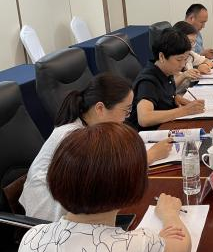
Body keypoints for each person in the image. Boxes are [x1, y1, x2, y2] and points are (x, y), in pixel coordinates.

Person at [14, 123, 191, 252]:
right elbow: (182, 249)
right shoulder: (136, 247)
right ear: (131, 185)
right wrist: (169, 214)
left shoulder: (31, 238)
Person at [19, 74, 173, 221]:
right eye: (125, 111)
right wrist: (150, 156)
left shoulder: (89, 126)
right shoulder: (73, 137)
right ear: (100, 108)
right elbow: (105, 176)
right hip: (50, 213)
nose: (126, 118)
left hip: (76, 204)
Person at [128, 28, 205, 131]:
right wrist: (185, 111)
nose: (183, 65)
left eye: (185, 59)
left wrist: (174, 98)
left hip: (165, 126)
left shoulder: (166, 71)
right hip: (149, 135)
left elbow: (162, 93)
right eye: (179, 59)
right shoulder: (148, 81)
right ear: (162, 57)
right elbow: (144, 118)